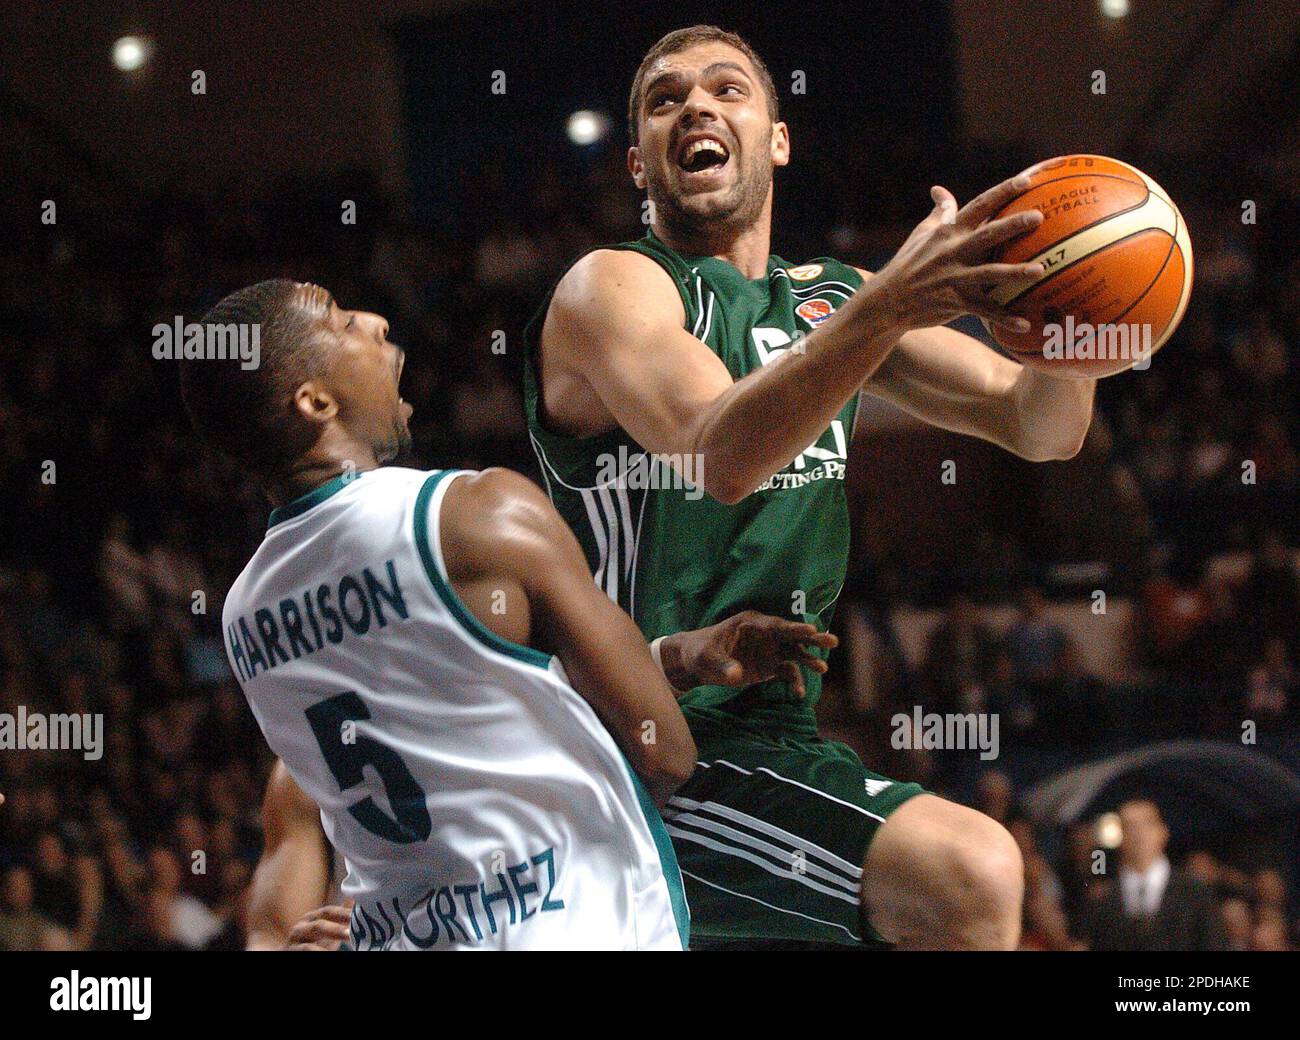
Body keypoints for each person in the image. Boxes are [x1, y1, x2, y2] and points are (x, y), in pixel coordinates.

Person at [523, 25, 1095, 948]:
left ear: (777, 140)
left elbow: (1041, 426)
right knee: (971, 870)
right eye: (666, 100)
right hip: (637, 739)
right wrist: (888, 306)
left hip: (772, 736)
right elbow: (718, 453)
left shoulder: (832, 300)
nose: (697, 108)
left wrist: (1082, 313)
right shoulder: (611, 288)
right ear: (638, 164)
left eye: (725, 90)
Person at [182, 278, 832, 950]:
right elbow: (662, 752)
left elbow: (455, 717)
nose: (375, 322)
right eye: (340, 321)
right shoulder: (478, 514)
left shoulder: (243, 617)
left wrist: (668, 657)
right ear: (316, 402)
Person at [1083, 799, 1227, 951]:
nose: (1139, 835)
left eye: (1147, 824)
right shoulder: (1103, 901)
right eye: (1129, 827)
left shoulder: (1196, 893)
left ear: (1163, 832)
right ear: (1120, 837)